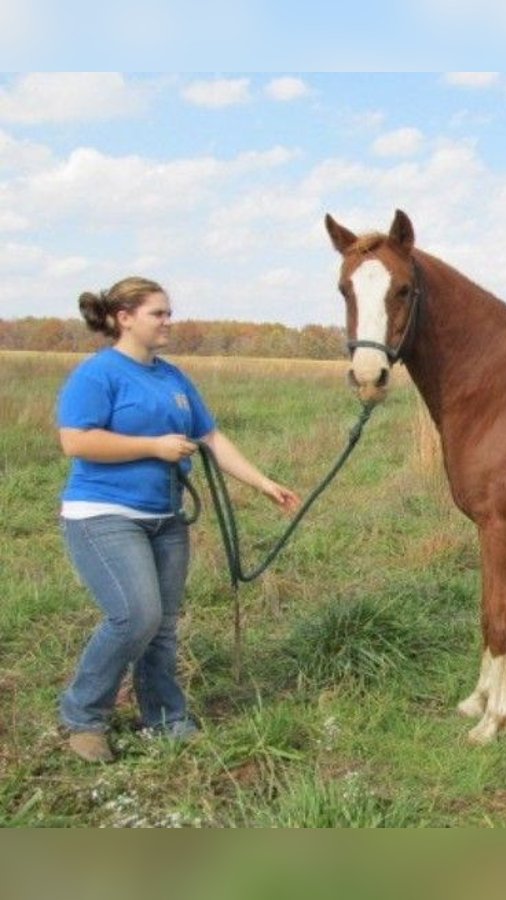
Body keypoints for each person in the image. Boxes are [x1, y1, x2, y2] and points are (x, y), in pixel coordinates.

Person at [56, 276, 301, 763]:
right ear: (125, 318)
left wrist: (263, 482)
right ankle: (83, 715)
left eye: (169, 312)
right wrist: (153, 446)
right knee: (135, 616)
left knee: (163, 625)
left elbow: (210, 438)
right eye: (158, 313)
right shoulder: (98, 374)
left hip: (165, 518)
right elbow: (76, 441)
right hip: (104, 514)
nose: (169, 321)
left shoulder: (173, 377)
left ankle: (165, 719)